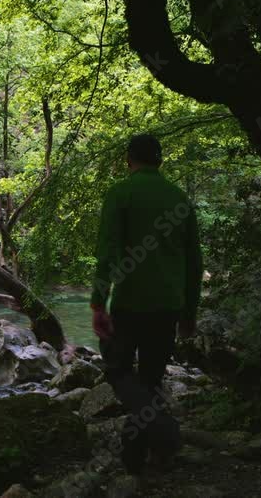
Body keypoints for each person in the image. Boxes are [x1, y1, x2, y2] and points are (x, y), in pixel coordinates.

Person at [90, 133, 204, 475]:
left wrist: (98, 303)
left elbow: (107, 253)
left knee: (118, 370)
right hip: (168, 305)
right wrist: (189, 313)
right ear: (160, 160)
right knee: (151, 379)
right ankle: (136, 456)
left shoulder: (120, 193)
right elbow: (194, 263)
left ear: (129, 159)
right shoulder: (179, 198)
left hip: (130, 303)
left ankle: (163, 431)